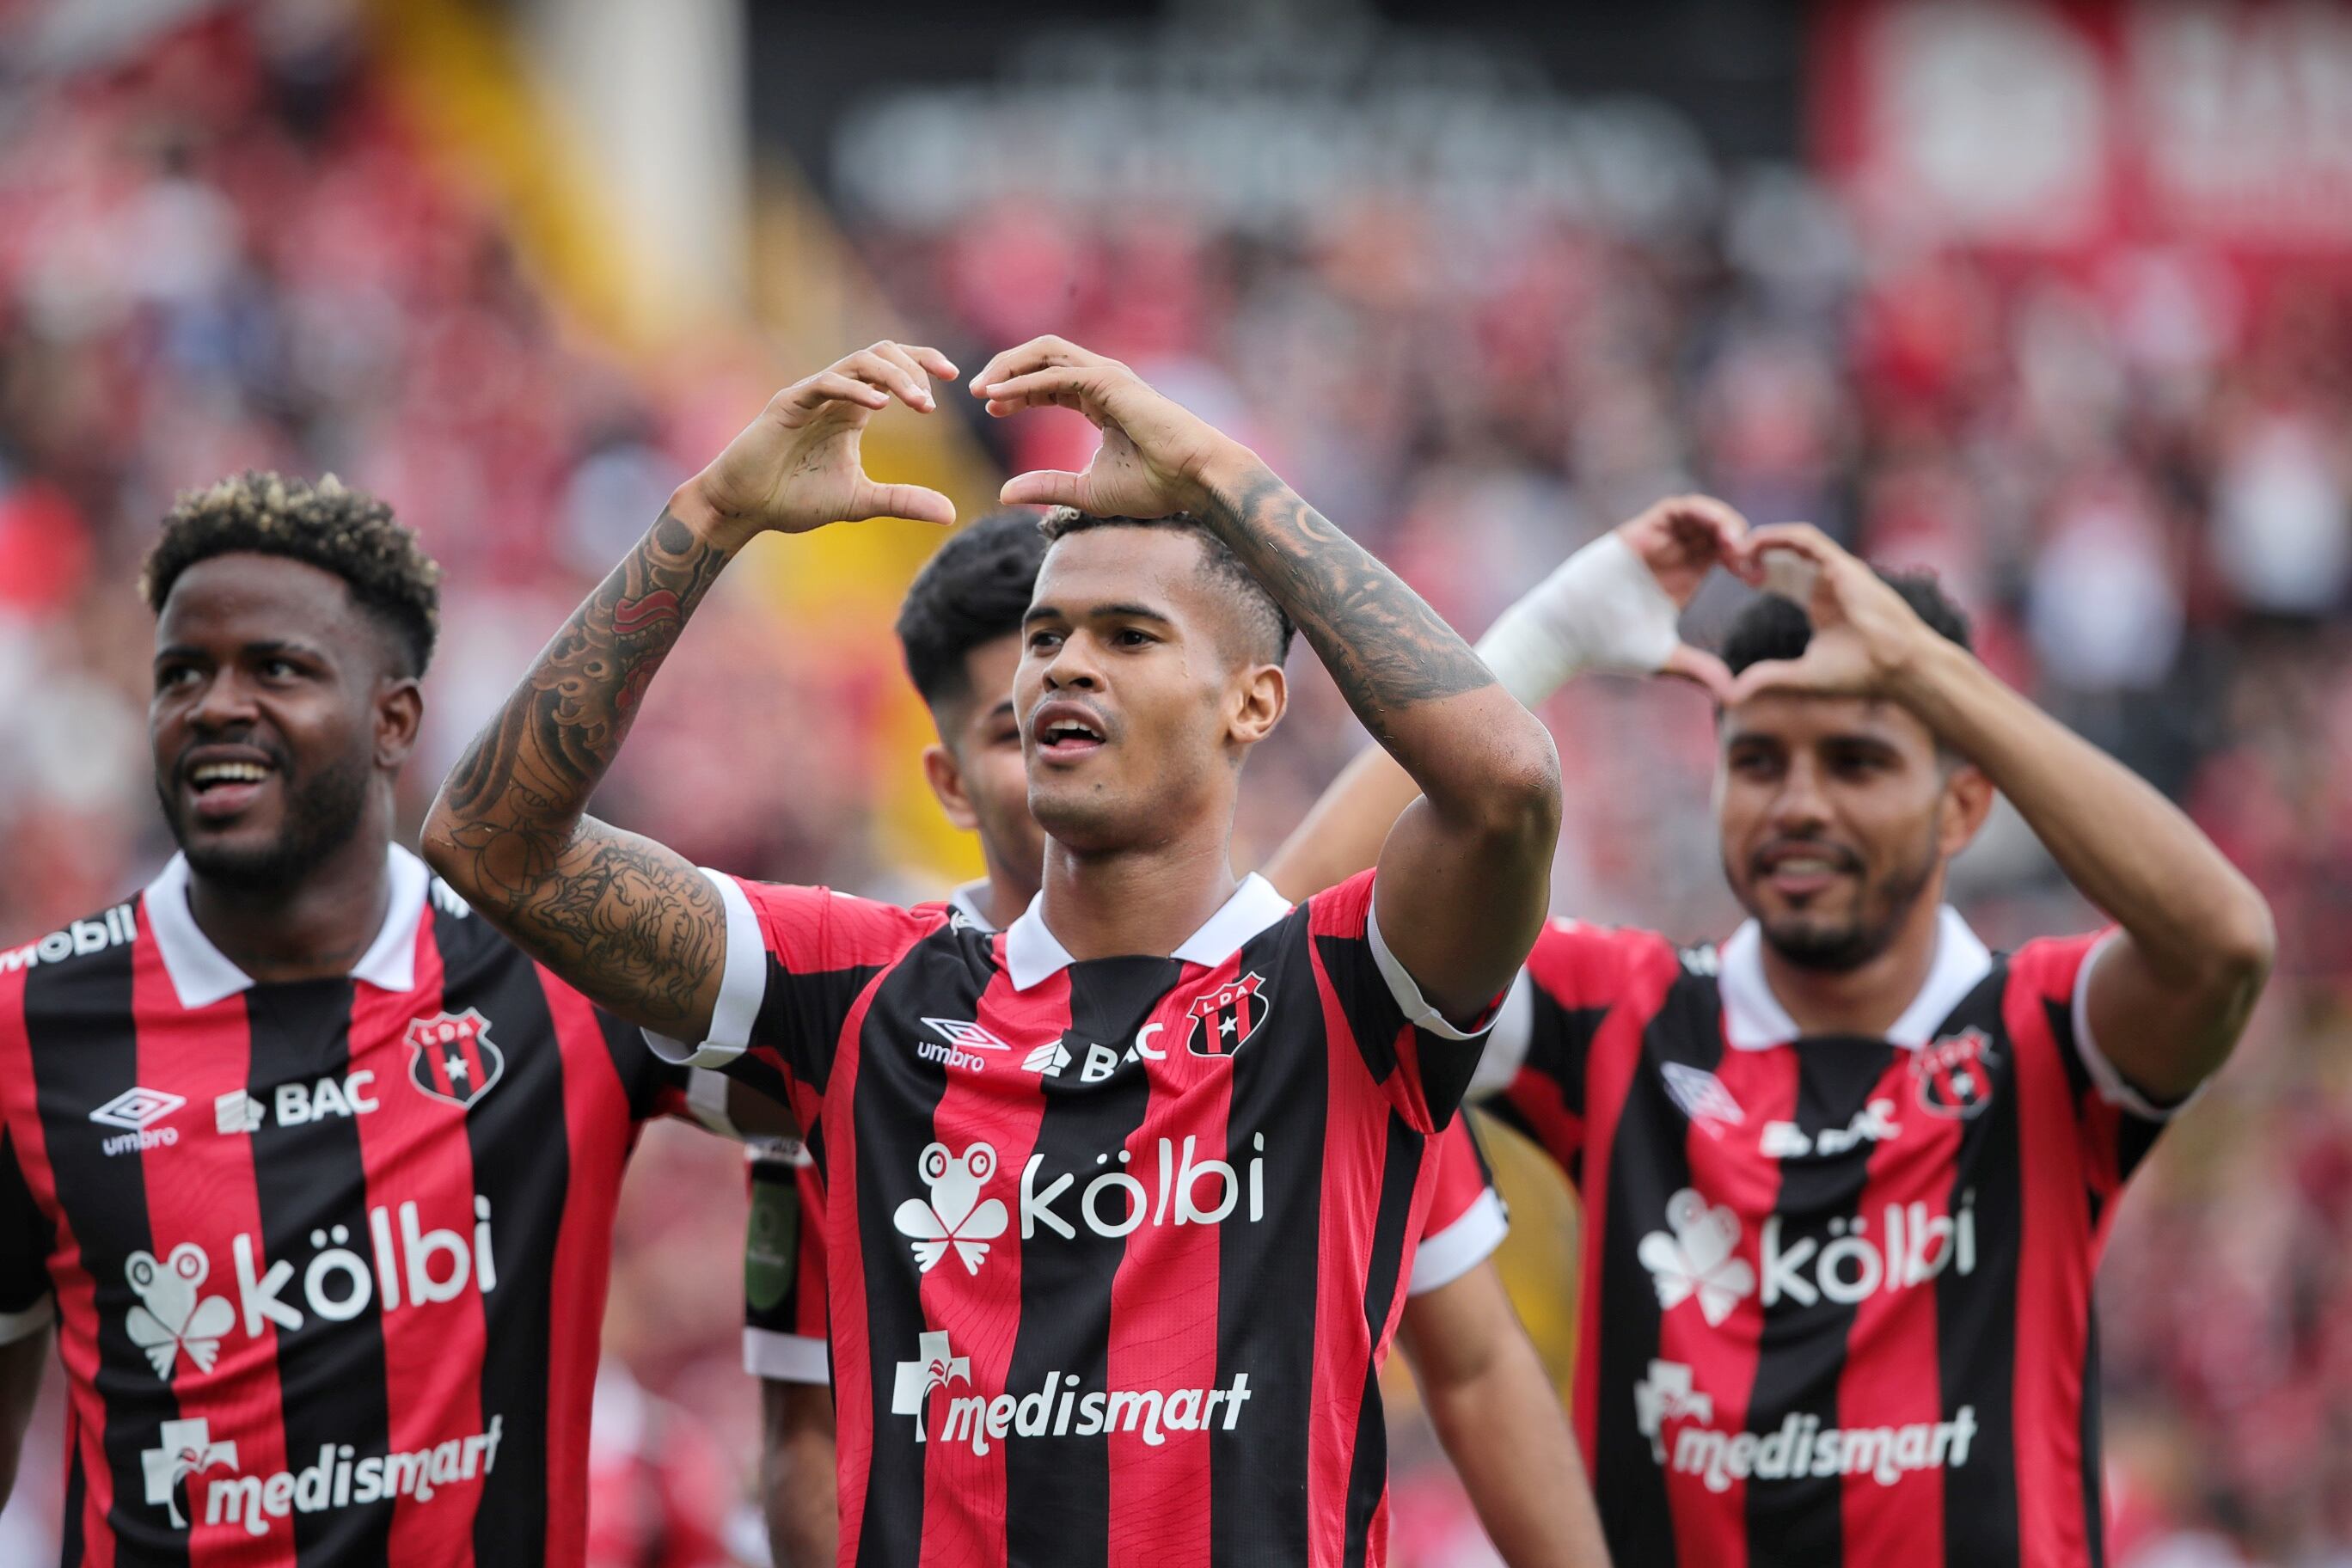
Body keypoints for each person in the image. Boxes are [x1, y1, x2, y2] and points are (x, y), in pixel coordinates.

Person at [420, 336, 1564, 1566]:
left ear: (1252, 702)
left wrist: (1219, 475)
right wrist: (710, 515)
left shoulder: (1337, 997)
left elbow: (1504, 787)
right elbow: (492, 844)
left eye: (1129, 636)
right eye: (1045, 636)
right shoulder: (863, 992)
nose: (1066, 661)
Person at [1267, 505, 2278, 1567]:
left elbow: (2225, 945)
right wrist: (1549, 636)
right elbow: (1292, 946)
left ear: (1964, 806)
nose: (1798, 803)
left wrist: (1926, 673)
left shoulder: (2040, 1030)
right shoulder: (1625, 1013)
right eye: (1757, 762)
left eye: (1855, 761)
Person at [746, 510, 1607, 1567]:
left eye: (1128, 647)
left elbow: (1473, 1369)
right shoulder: (860, 1025)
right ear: (949, 783)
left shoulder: (1329, 1028)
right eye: (1012, 725)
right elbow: (805, 1427)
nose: (1067, 698)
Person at [0, 474, 753, 1565]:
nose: (214, 704)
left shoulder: (560, 972)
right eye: (181, 675)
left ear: (395, 719)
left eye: (278, 668)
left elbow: (858, 1080)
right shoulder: (28, 1025)